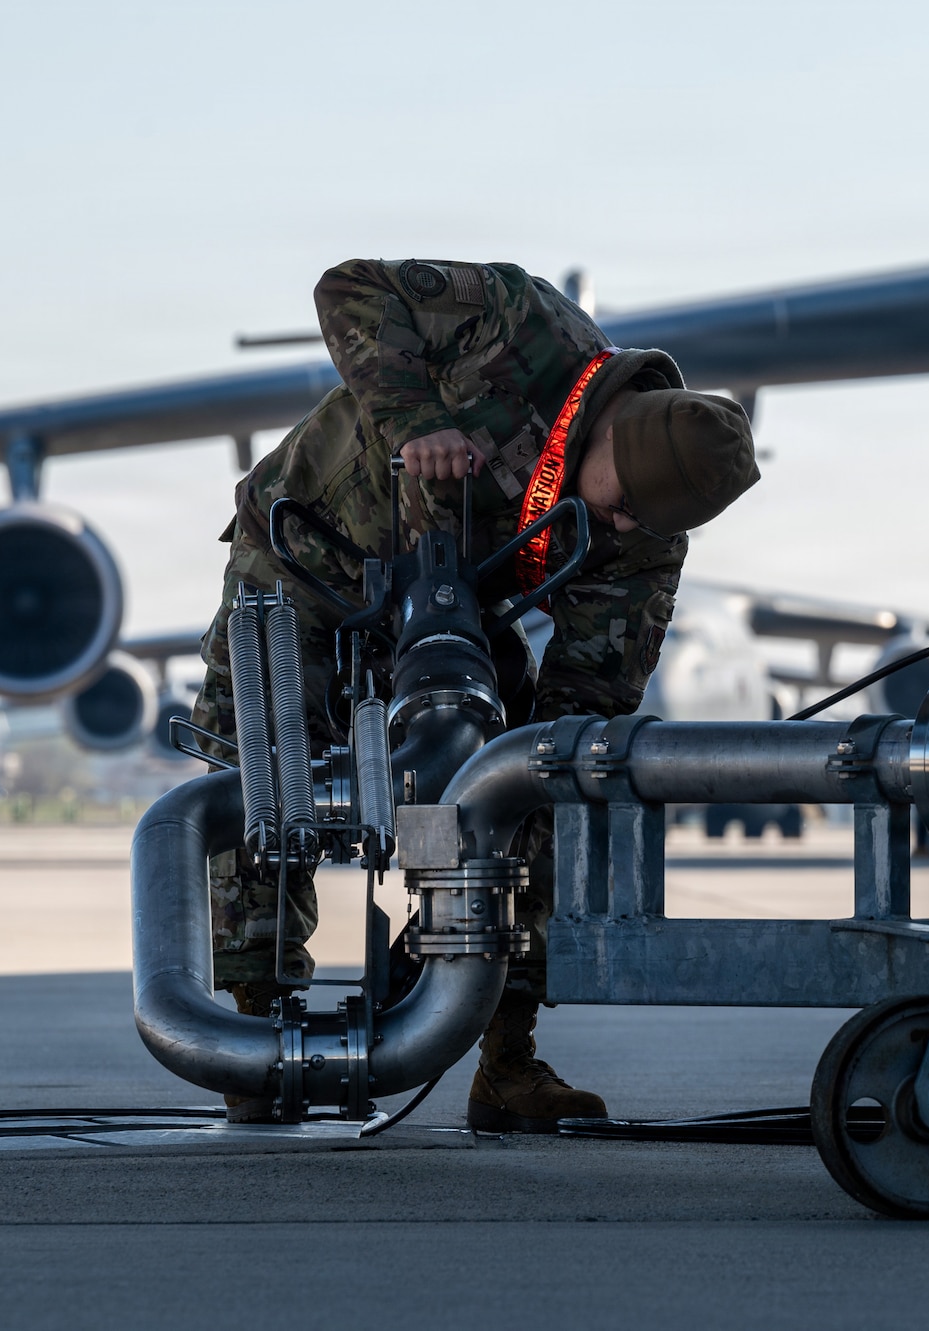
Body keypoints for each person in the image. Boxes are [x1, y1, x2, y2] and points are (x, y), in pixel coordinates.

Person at [190, 258, 759, 1128]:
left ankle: (506, 1058)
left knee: (541, 779)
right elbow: (348, 289)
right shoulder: (520, 324)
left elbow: (586, 707)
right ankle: (258, 1037)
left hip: (457, 599)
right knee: (268, 766)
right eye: (621, 509)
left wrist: (505, 805)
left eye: (643, 526)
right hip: (310, 561)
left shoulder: (642, 539)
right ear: (614, 442)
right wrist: (415, 419)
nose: (619, 531)